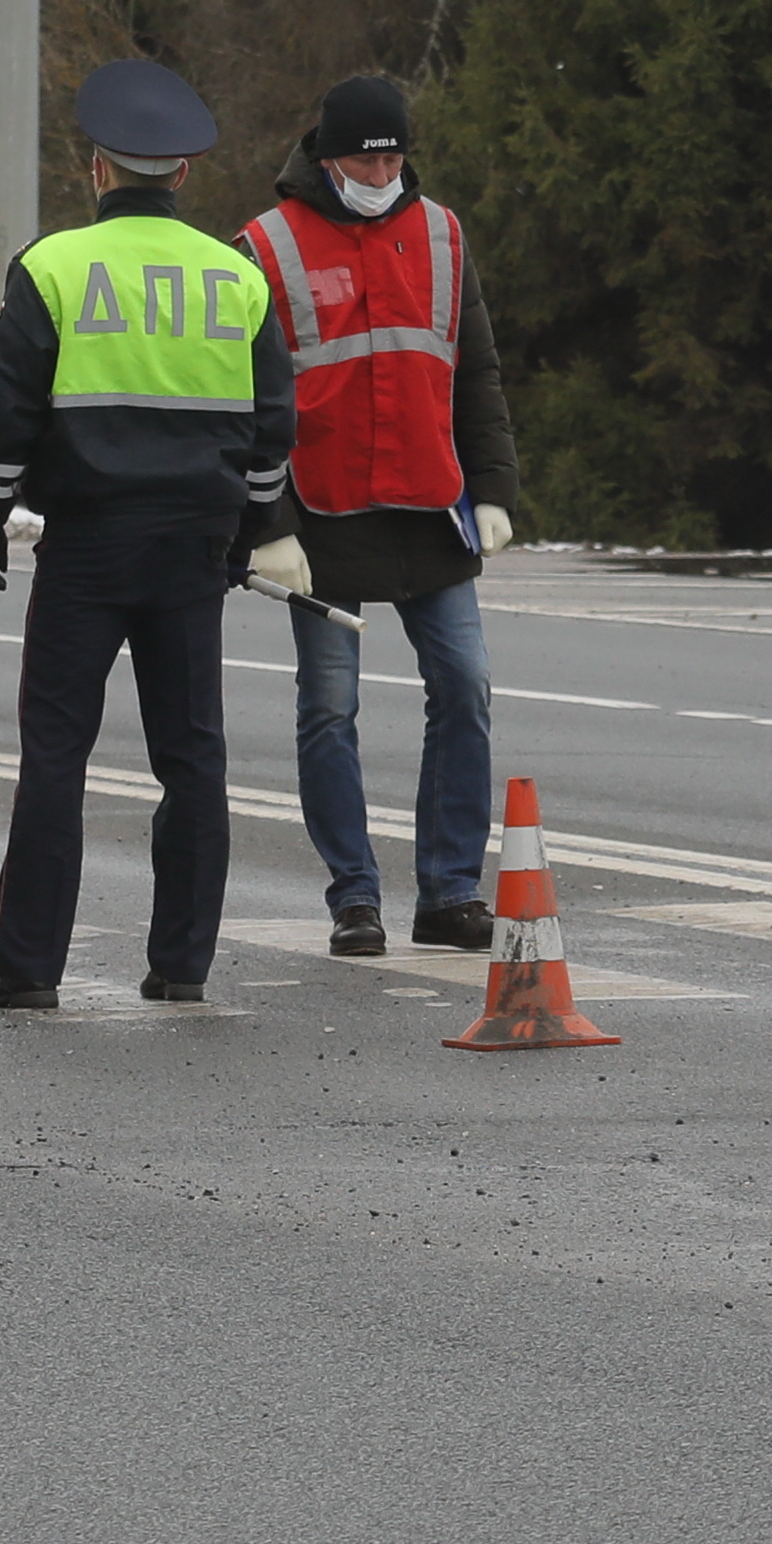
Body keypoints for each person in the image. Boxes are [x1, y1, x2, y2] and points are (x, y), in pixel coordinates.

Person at [0, 59, 295, 1010]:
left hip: (90, 544)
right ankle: (181, 965)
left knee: (56, 752)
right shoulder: (239, 276)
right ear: (182, 173)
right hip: (193, 546)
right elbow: (273, 427)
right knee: (193, 756)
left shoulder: (54, 266)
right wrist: (251, 529)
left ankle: (28, 969)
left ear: (97, 168)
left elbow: (3, 408)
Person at [235, 71, 520, 960]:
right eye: (367, 152)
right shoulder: (264, 246)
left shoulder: (442, 234)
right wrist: (267, 522)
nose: (383, 165)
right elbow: (243, 399)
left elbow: (474, 371)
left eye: (395, 151)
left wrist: (497, 488)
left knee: (465, 689)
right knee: (329, 711)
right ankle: (354, 898)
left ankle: (450, 893)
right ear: (327, 157)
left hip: (431, 507)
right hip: (322, 518)